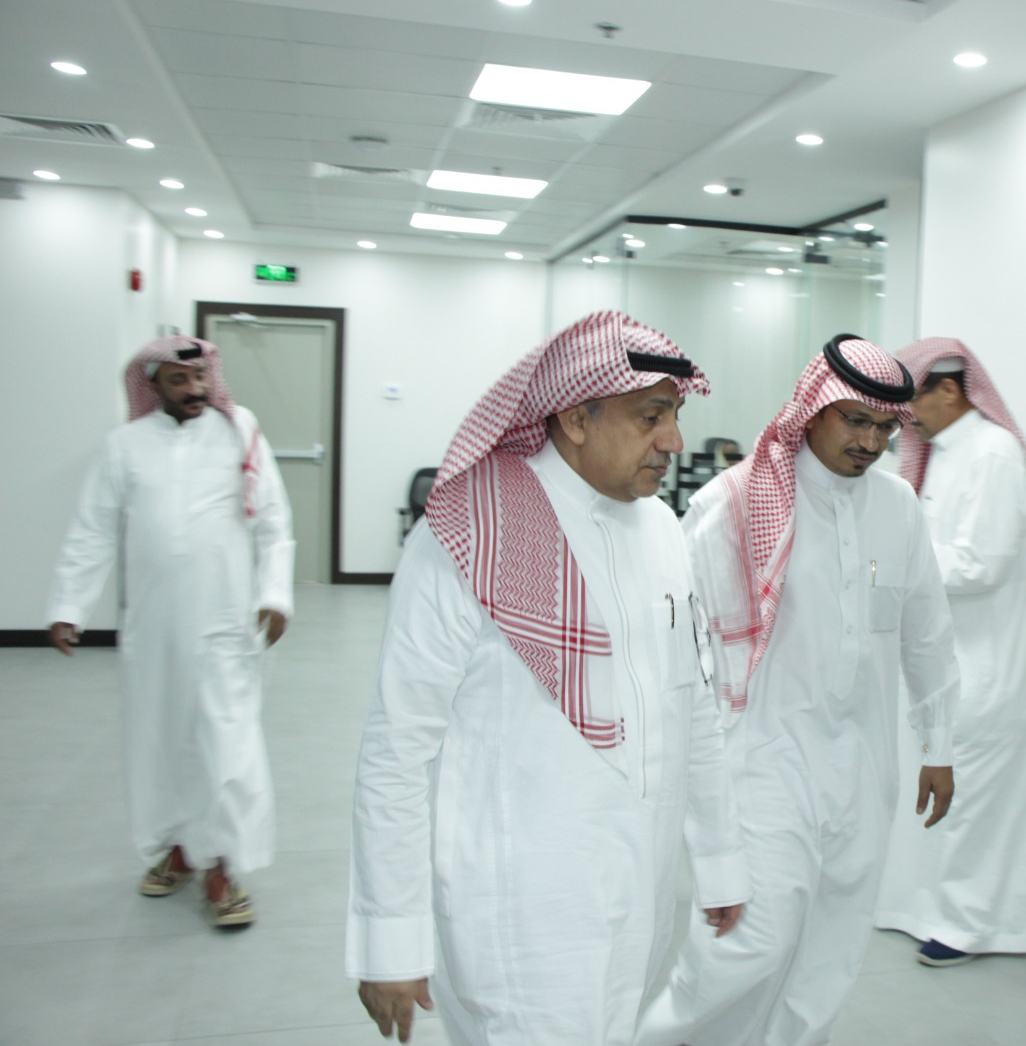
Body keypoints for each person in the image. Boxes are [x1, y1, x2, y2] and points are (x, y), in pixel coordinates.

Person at [346, 312, 750, 1046]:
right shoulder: (471, 534)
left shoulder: (662, 530)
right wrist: (389, 935)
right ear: (574, 418)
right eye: (651, 416)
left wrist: (718, 860)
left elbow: (691, 706)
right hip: (519, 912)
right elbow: (398, 747)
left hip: (641, 893)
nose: (673, 441)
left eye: (676, 415)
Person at [637, 334, 962, 1046]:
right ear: (813, 410)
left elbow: (927, 632)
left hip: (863, 765)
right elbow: (680, 653)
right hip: (761, 760)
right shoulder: (733, 503)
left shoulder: (898, 506)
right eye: (855, 420)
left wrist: (938, 745)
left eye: (885, 427)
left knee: (831, 947)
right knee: (749, 943)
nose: (870, 442)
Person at [46, 335, 295, 928]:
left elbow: (274, 521)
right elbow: (92, 528)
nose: (195, 388)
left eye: (201, 376)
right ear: (151, 383)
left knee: (225, 742)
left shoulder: (239, 431)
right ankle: (181, 847)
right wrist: (69, 605)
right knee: (161, 741)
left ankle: (223, 867)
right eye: (179, 380)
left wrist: (275, 594)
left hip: (225, 623)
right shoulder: (125, 446)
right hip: (153, 627)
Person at [874, 338, 1026, 966]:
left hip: (987, 665)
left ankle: (973, 925)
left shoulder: (993, 454)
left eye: (911, 403)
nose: (904, 422)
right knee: (940, 795)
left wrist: (890, 561)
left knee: (977, 800)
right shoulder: (948, 452)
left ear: (948, 390)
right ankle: (925, 909)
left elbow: (981, 564)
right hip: (949, 659)